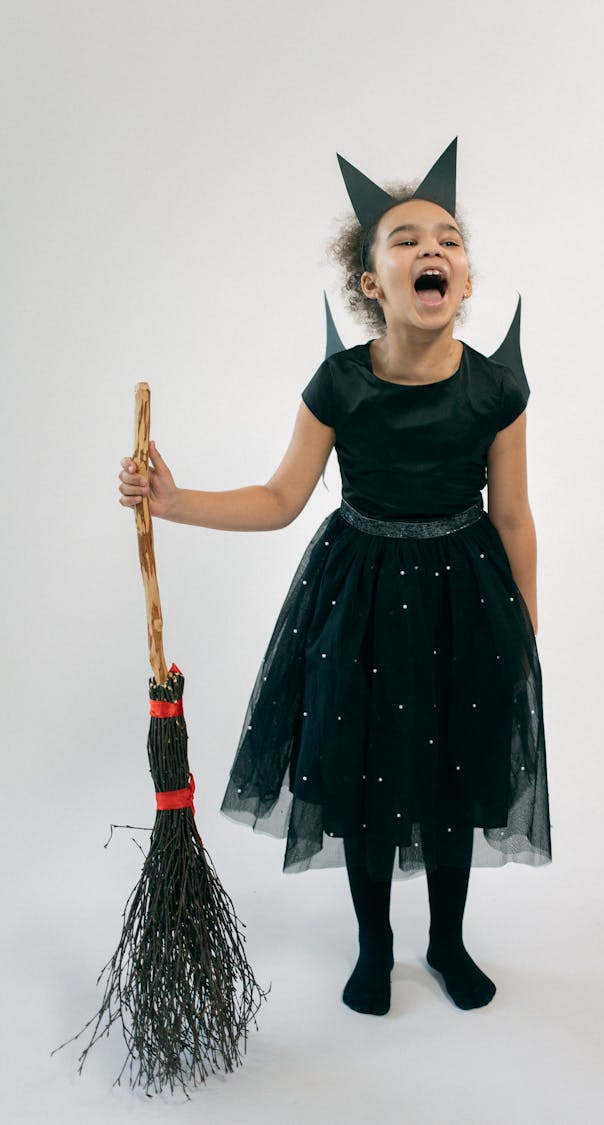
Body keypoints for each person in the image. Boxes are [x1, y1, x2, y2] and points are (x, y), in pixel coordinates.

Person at [118, 140, 551, 1018]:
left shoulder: (496, 390)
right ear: (371, 284)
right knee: (366, 777)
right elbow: (282, 497)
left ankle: (448, 941)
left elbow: (511, 516)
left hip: (465, 597)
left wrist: (524, 633)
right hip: (358, 598)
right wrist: (172, 500)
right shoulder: (340, 385)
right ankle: (375, 945)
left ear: (464, 281)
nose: (432, 249)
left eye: (449, 240)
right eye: (406, 241)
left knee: (456, 777)